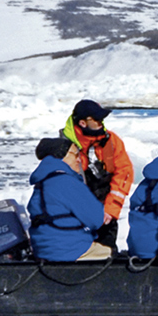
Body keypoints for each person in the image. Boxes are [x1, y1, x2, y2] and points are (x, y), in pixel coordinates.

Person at [60, 99, 133, 253]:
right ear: (82, 123)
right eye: (96, 119)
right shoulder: (65, 147)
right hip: (76, 217)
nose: (101, 122)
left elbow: (124, 172)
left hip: (105, 213)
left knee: (107, 252)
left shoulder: (110, 141)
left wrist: (111, 209)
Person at [26, 136, 108, 262]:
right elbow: (96, 219)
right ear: (61, 157)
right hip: (70, 250)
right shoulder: (66, 182)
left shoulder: (42, 182)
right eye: (75, 155)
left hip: (44, 250)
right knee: (111, 253)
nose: (79, 160)